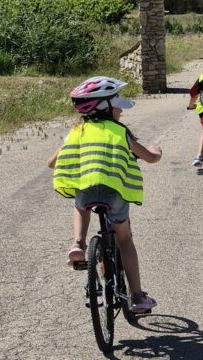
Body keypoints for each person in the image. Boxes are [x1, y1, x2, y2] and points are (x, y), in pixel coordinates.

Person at [48, 76, 162, 313]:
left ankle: (78, 243)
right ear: (105, 107)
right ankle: (138, 297)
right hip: (114, 192)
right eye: (117, 104)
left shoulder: (77, 130)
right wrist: (156, 152)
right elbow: (149, 158)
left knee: (79, 204)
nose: (121, 109)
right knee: (124, 239)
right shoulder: (120, 131)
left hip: (86, 188)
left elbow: (51, 163)